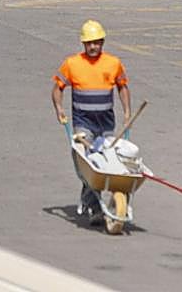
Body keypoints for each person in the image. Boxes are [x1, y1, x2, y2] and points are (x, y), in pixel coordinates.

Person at [52, 20, 131, 223]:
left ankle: (99, 200)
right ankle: (95, 207)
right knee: (88, 161)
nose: (93, 47)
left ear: (102, 42)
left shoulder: (113, 63)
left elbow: (122, 87)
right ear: (83, 44)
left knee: (108, 163)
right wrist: (59, 109)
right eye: (89, 43)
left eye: (96, 42)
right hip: (83, 123)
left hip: (106, 124)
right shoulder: (72, 64)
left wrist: (127, 112)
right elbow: (58, 88)